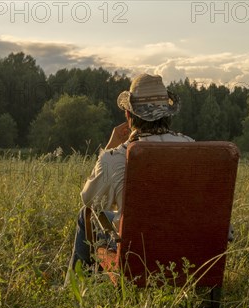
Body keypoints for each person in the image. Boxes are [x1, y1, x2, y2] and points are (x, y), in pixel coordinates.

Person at [68, 73, 195, 274]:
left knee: (85, 217)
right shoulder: (192, 147)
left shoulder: (116, 156)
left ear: (128, 115)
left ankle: (75, 290)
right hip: (190, 253)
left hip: (137, 253)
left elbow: (88, 201)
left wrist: (110, 146)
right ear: (168, 114)